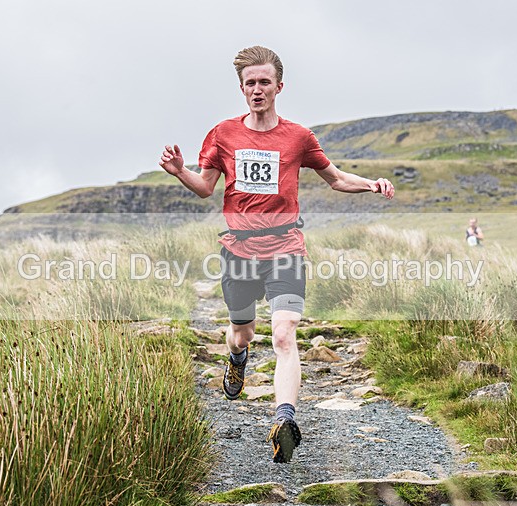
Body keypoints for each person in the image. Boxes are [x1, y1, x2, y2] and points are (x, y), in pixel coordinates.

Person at [159, 46, 395, 463]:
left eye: (264, 82)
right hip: (239, 250)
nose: (256, 89)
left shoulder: (299, 137)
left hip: (286, 246)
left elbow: (336, 178)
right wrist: (181, 172)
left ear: (279, 87)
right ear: (241, 87)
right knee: (243, 332)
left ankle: (284, 421)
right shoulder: (223, 134)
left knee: (284, 333)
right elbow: (206, 187)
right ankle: (237, 358)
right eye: (249, 82)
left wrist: (371, 184)